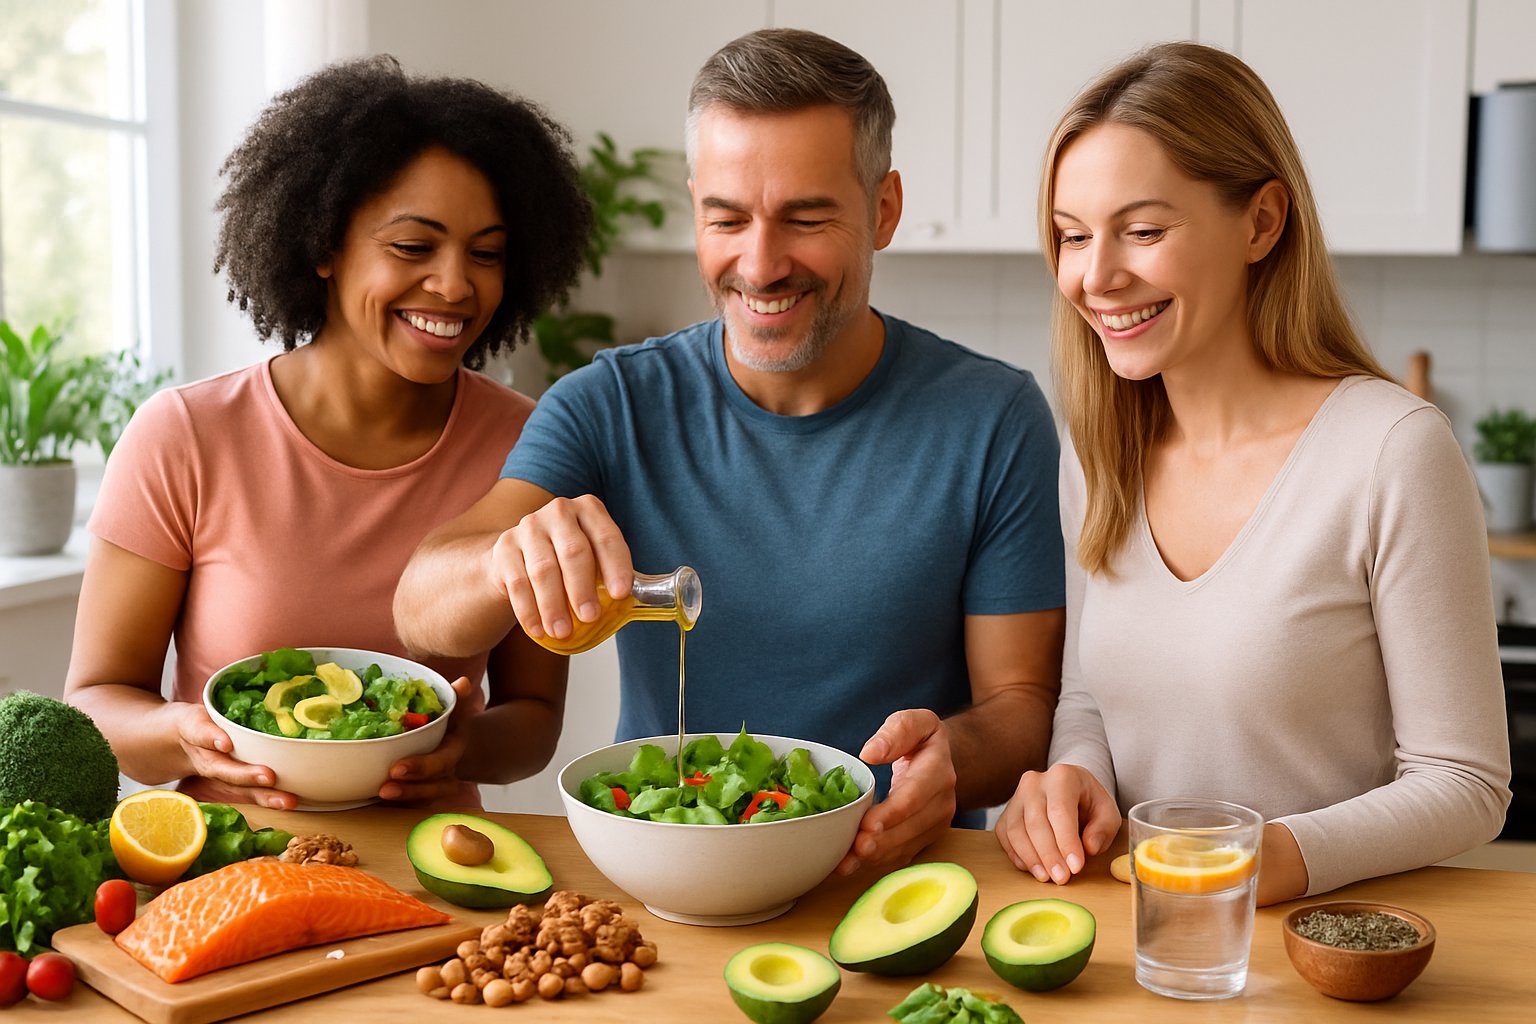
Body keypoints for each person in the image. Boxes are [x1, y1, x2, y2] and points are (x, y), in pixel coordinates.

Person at [394, 28, 1065, 872]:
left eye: (806, 217)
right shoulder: (609, 403)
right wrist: (504, 562)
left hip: (901, 879)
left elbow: (1020, 702)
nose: (760, 263)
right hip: (667, 875)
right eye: (727, 218)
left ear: (883, 209)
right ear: (695, 208)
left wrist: (951, 760)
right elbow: (421, 606)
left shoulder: (993, 417)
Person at [994, 41, 1511, 904]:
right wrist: (1075, 773)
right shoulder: (1099, 452)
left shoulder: (1393, 451)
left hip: (1330, 954)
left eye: (1145, 231)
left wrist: (1269, 856)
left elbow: (1465, 784)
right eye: (1072, 236)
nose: (1096, 276)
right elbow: (1089, 695)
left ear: (1262, 223)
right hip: (1141, 945)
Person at [64, 56, 590, 810]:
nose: (455, 285)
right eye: (413, 247)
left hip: (439, 872)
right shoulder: (185, 437)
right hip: (234, 868)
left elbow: (534, 722)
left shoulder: (534, 443)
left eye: (486, 253)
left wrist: (465, 745)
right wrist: (186, 733)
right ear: (322, 245)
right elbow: (93, 700)